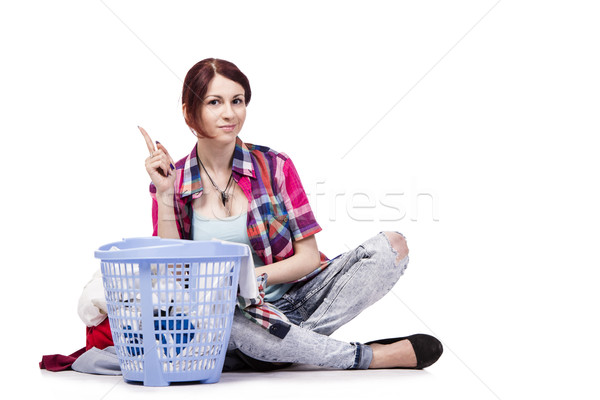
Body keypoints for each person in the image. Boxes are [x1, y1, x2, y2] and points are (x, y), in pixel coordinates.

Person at [139, 58, 443, 371]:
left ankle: (283, 347)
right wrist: (164, 194)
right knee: (238, 329)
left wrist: (253, 277)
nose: (229, 113)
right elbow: (171, 273)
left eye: (237, 101)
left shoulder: (275, 166)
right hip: (231, 316)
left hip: (298, 299)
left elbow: (309, 258)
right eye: (214, 102)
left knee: (392, 246)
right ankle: (366, 357)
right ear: (190, 110)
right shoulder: (172, 181)